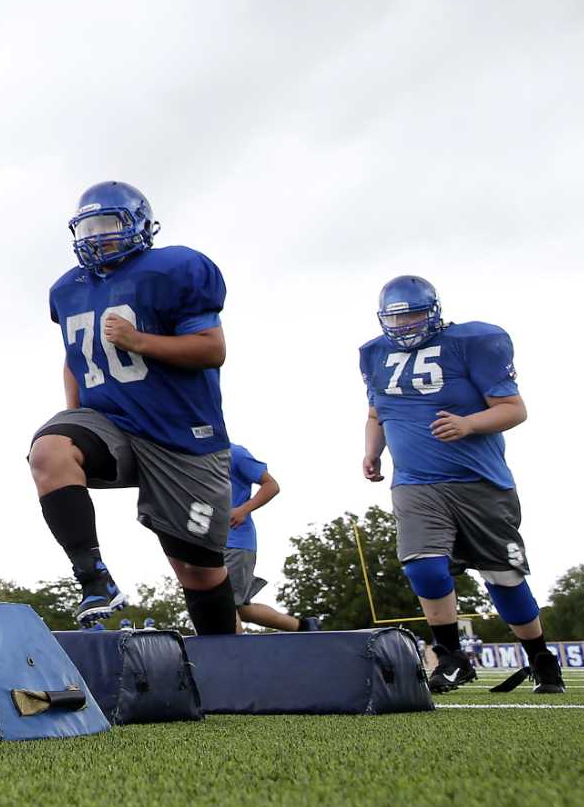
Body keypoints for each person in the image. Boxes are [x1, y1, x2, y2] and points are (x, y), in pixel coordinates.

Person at [27, 182, 239, 635]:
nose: (96, 236)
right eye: (88, 227)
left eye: (108, 224)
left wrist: (138, 340)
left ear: (140, 225)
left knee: (196, 570)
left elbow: (211, 348)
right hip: (114, 423)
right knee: (50, 450)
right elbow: (74, 358)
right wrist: (75, 419)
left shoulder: (174, 267)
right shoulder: (68, 288)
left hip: (181, 435)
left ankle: (229, 661)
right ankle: (94, 578)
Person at [362, 275, 561, 694]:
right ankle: (450, 658)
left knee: (503, 578)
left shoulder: (473, 342)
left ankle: (540, 657)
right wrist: (372, 451)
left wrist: (468, 423)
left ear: (433, 311)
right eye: (394, 318)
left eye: (412, 314)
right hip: (415, 483)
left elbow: (513, 409)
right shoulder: (374, 354)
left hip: (479, 482)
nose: (403, 325)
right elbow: (376, 413)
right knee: (423, 564)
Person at [224, 442, 319, 632]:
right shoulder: (194, 455)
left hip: (235, 542)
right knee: (242, 608)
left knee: (223, 606)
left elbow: (272, 485)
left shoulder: (235, 453)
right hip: (211, 543)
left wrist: (243, 509)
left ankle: (236, 659)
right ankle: (304, 626)